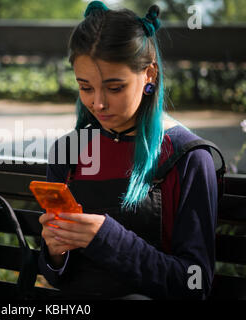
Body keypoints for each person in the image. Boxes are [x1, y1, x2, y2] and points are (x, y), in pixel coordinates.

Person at [38, 1, 225, 300]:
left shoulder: (188, 157)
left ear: (149, 75)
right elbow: (54, 275)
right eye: (85, 87)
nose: (98, 103)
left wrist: (106, 238)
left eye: (114, 88)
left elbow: (195, 284)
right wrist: (55, 253)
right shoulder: (68, 151)